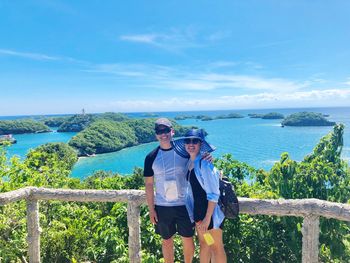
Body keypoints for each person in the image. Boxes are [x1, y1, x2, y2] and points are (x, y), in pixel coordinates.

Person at [144, 118, 195, 263]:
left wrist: (208, 158)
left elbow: (197, 161)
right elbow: (148, 185)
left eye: (166, 130)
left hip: (184, 204)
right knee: (166, 241)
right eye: (159, 131)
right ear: (156, 135)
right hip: (162, 205)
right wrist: (151, 209)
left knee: (188, 239)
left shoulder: (184, 151)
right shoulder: (150, 157)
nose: (163, 134)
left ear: (172, 131)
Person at [173, 129, 226, 263]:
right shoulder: (190, 163)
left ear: (201, 144)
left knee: (216, 247)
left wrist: (207, 218)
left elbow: (213, 194)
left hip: (210, 215)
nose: (191, 144)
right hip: (199, 213)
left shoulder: (205, 164)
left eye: (195, 141)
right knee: (205, 244)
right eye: (188, 141)